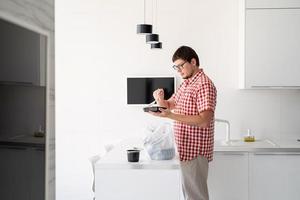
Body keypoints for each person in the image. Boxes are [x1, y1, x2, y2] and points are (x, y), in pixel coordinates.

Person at [149, 46, 217, 200]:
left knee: (196, 196)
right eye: (176, 67)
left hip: (195, 151)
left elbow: (204, 121)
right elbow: (171, 104)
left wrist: (170, 116)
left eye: (181, 66)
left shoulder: (203, 85)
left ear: (193, 62)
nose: (178, 70)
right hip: (186, 149)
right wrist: (160, 100)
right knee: (190, 195)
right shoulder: (186, 83)